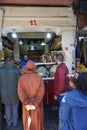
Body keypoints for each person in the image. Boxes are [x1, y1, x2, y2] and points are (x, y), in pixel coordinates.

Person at [18, 61, 45, 130]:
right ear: (34, 68)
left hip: (26, 106)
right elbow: (41, 92)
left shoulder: (21, 78)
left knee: (28, 123)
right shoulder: (39, 78)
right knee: (37, 122)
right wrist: (35, 103)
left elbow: (21, 93)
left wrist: (27, 103)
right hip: (37, 105)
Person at [0, 56, 20, 126]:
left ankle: (9, 122)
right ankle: (15, 122)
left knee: (7, 108)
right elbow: (19, 83)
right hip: (14, 92)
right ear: (12, 61)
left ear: (5, 61)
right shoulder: (16, 70)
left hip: (4, 93)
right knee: (15, 108)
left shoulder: (1, 70)